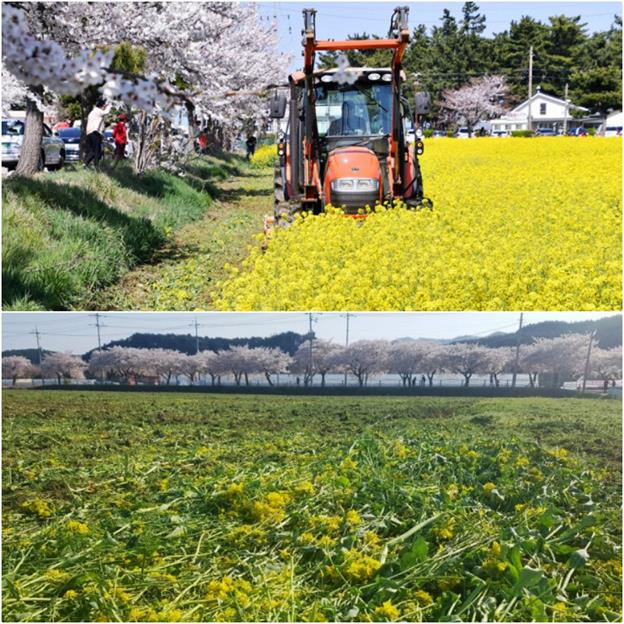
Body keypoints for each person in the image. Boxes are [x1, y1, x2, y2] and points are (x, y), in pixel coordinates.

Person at [84, 98, 111, 169]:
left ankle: (86, 164)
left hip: (89, 133)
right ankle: (95, 166)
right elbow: (106, 112)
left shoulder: (92, 112)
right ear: (101, 106)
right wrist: (109, 106)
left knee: (92, 151)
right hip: (95, 133)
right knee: (97, 151)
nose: (105, 107)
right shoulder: (98, 111)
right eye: (104, 105)